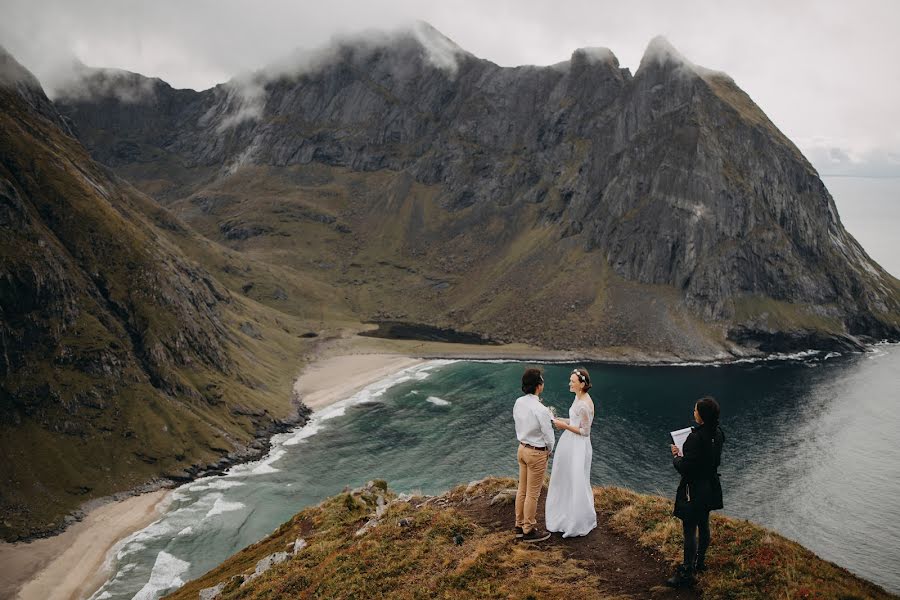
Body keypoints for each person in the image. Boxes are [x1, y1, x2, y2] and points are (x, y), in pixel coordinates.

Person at [666, 396, 725, 588]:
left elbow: (685, 467)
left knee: (689, 529)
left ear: (702, 415)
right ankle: (700, 564)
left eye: (695, 410)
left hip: (694, 489)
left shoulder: (694, 437)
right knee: (704, 524)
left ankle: (686, 573)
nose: (693, 412)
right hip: (711, 485)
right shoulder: (718, 433)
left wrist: (676, 456)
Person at [545, 367, 597, 537]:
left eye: (572, 381)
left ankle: (577, 520)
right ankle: (565, 514)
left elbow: (585, 431)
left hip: (578, 447)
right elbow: (577, 422)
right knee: (566, 477)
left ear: (581, 384)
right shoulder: (578, 398)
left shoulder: (584, 404)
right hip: (570, 443)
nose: (569, 383)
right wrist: (563, 420)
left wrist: (564, 426)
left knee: (576, 480)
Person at [513, 367, 555, 542]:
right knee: (532, 494)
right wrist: (549, 450)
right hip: (536, 453)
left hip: (522, 449)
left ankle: (519, 525)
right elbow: (549, 436)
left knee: (522, 490)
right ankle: (528, 530)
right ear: (538, 386)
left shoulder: (519, 402)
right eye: (542, 380)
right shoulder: (541, 409)